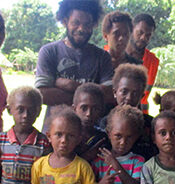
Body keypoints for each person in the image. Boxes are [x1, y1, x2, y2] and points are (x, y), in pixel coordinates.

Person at [35, 0, 112, 133]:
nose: (81, 29)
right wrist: (91, 98)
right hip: (55, 136)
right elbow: (42, 94)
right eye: (76, 23)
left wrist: (70, 86)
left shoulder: (102, 57)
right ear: (65, 21)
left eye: (87, 24)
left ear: (94, 24)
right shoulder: (49, 52)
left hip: (91, 138)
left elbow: (109, 95)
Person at [0, 86, 51, 184]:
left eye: (31, 110)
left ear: (38, 112)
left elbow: (44, 179)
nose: (25, 115)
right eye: (20, 110)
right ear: (9, 110)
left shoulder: (44, 143)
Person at [31, 105, 96, 184]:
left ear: (78, 139)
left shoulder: (82, 167)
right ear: (49, 136)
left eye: (71, 136)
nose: (64, 140)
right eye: (59, 134)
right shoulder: (39, 166)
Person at [100, 63, 157, 160]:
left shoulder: (150, 124)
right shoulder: (105, 122)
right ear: (115, 92)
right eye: (124, 91)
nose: (129, 98)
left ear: (142, 96)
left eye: (135, 93)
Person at [92, 105, 144, 184]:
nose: (123, 142)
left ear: (136, 136)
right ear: (109, 133)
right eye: (118, 136)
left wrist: (115, 164)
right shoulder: (99, 161)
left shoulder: (137, 161)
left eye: (129, 137)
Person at [126, 13, 160, 114]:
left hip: (140, 115)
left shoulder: (153, 61)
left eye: (148, 35)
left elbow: (145, 94)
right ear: (131, 29)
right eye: (140, 33)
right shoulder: (110, 53)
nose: (143, 38)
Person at [73, 83, 110, 162]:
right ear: (74, 109)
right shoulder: (66, 136)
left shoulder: (104, 138)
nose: (89, 114)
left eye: (95, 109)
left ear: (101, 111)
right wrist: (86, 157)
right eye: (84, 108)